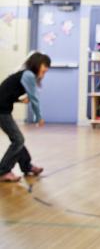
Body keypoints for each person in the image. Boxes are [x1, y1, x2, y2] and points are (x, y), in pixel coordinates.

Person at [0, 52, 51, 182]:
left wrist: (19, 100)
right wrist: (38, 117)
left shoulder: (26, 74)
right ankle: (3, 171)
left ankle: (27, 166)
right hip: (1, 110)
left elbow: (7, 91)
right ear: (37, 64)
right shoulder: (28, 75)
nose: (45, 71)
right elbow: (34, 98)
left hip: (3, 108)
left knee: (16, 140)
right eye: (44, 67)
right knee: (18, 140)